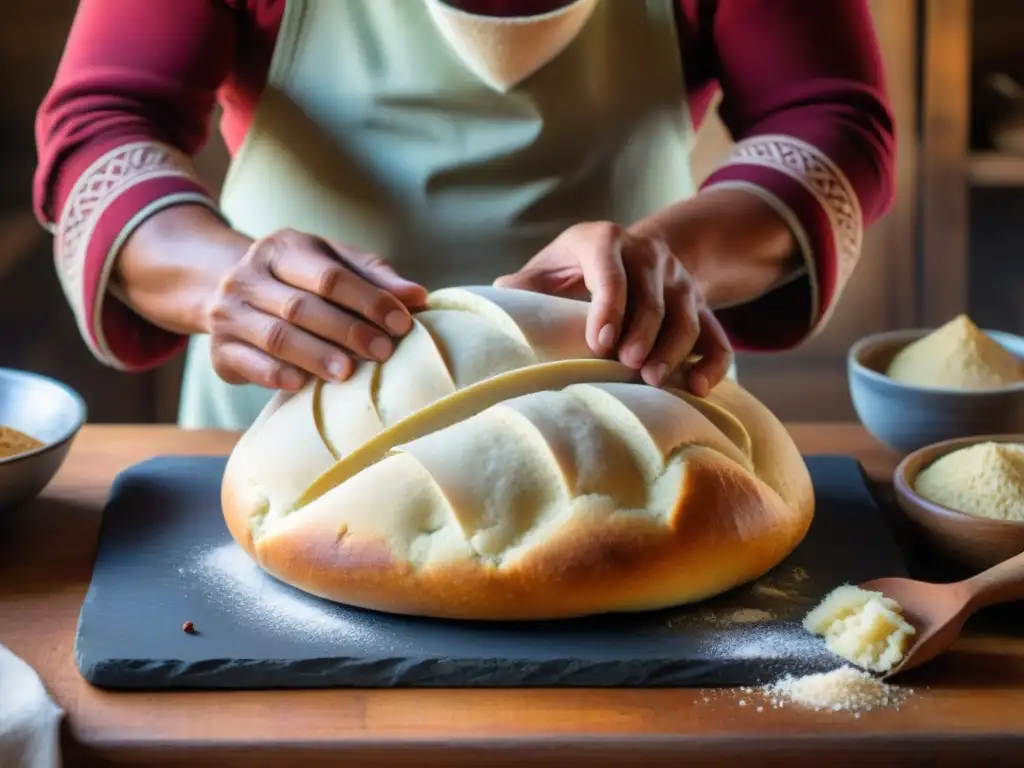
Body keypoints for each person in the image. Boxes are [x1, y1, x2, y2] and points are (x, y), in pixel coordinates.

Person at [34, 0, 895, 431]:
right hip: (289, 415)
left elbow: (830, 121)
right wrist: (223, 276)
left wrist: (678, 260)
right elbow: (103, 124)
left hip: (642, 404)